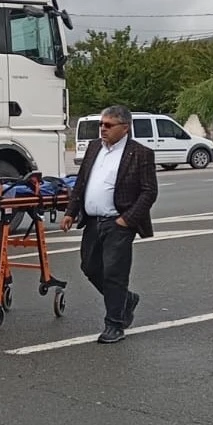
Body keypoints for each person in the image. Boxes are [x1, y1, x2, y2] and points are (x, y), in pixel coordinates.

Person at [61, 105, 158, 344]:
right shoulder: (95, 147)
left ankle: (114, 324)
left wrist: (127, 220)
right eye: (101, 124)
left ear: (125, 128)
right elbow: (81, 182)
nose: (102, 129)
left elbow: (149, 191)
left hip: (119, 223)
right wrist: (71, 212)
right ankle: (126, 299)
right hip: (93, 221)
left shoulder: (140, 153)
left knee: (115, 273)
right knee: (90, 267)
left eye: (108, 125)